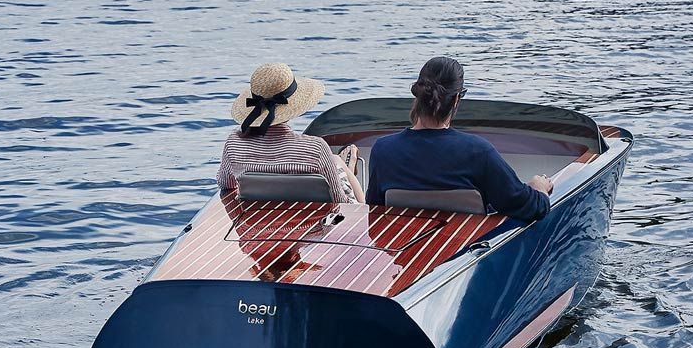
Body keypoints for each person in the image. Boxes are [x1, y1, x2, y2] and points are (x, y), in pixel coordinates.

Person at [365, 57, 552, 222]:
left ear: (418, 94)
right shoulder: (478, 152)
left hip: (405, 254)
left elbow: (375, 212)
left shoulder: (383, 150)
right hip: (466, 253)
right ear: (455, 100)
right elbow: (530, 207)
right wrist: (539, 189)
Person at [217, 63, 364, 203]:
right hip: (315, 224)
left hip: (257, 222)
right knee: (336, 162)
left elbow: (226, 185)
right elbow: (339, 200)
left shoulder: (233, 144)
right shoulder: (316, 148)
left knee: (334, 161)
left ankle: (342, 166)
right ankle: (347, 171)